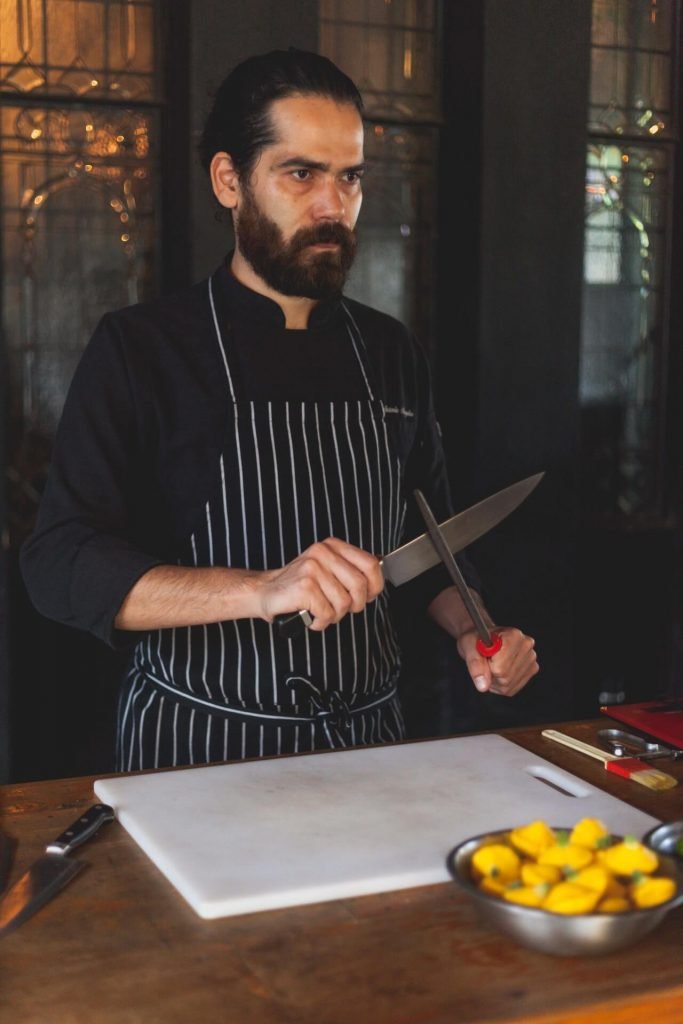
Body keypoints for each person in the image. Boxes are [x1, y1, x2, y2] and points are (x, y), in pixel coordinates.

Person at [20, 48, 538, 771]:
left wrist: (475, 627)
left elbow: (427, 549)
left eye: (349, 178)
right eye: (301, 174)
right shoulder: (143, 349)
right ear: (229, 180)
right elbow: (59, 564)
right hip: (198, 749)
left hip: (367, 749)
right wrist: (263, 589)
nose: (332, 206)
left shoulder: (389, 351)